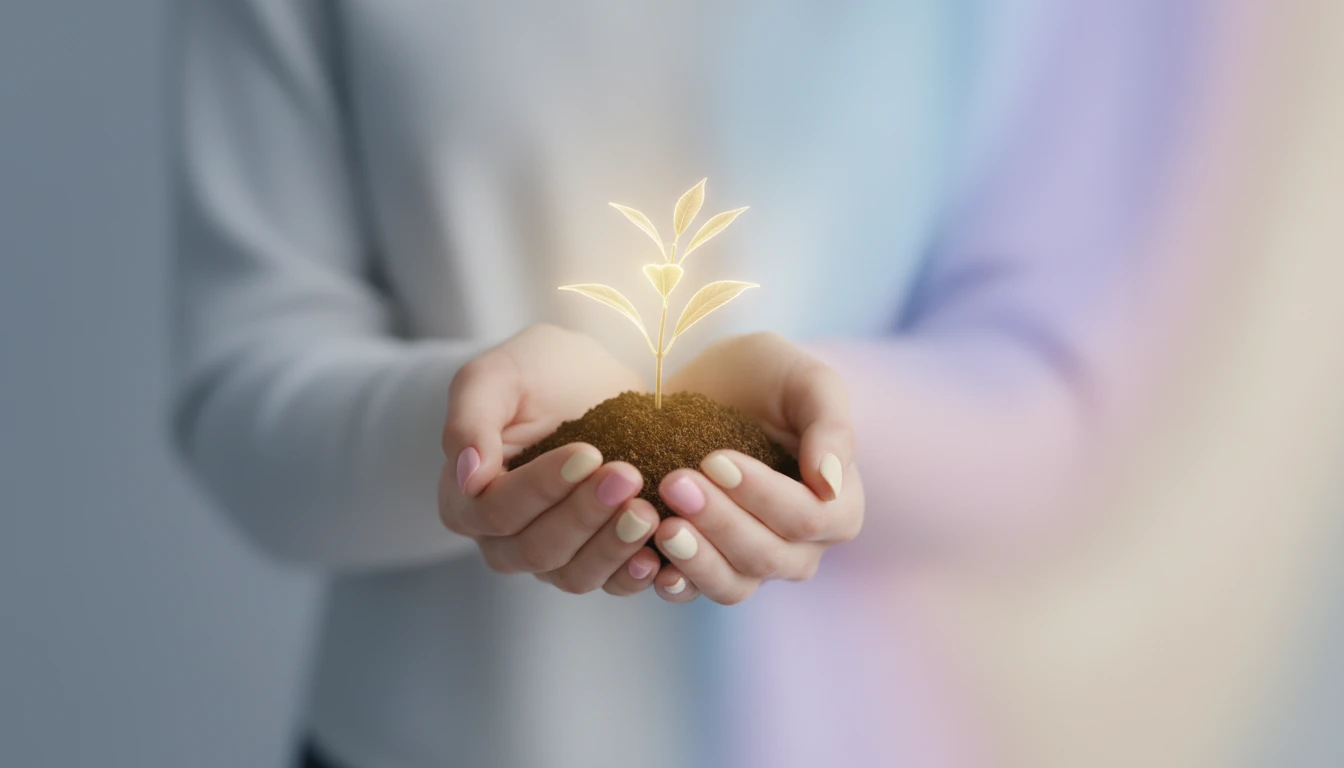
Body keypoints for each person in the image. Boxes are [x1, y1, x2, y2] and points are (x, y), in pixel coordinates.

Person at [170, 2, 1195, 766]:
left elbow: (1059, 405)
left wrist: (816, 431)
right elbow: (248, 382)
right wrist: (465, 436)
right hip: (421, 737)